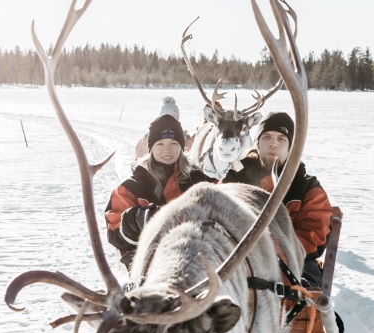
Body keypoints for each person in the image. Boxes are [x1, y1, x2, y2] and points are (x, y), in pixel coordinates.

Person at [223, 111, 333, 289]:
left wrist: (272, 252)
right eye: (266, 137)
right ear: (257, 143)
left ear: (291, 147)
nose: (273, 143)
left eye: (281, 139)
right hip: (238, 260)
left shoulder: (306, 187)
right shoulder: (235, 177)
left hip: (294, 263)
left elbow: (314, 234)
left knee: (302, 287)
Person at [106, 113, 211, 270]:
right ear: (151, 148)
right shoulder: (129, 189)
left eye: (174, 143)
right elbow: (116, 234)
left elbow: (228, 202)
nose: (167, 150)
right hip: (148, 271)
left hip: (197, 264)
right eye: (160, 144)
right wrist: (137, 220)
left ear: (182, 147)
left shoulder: (199, 181)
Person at [133, 96, 193, 164]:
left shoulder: (187, 139)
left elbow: (193, 160)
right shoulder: (148, 138)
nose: (169, 121)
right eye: (166, 117)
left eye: (173, 118)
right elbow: (138, 161)